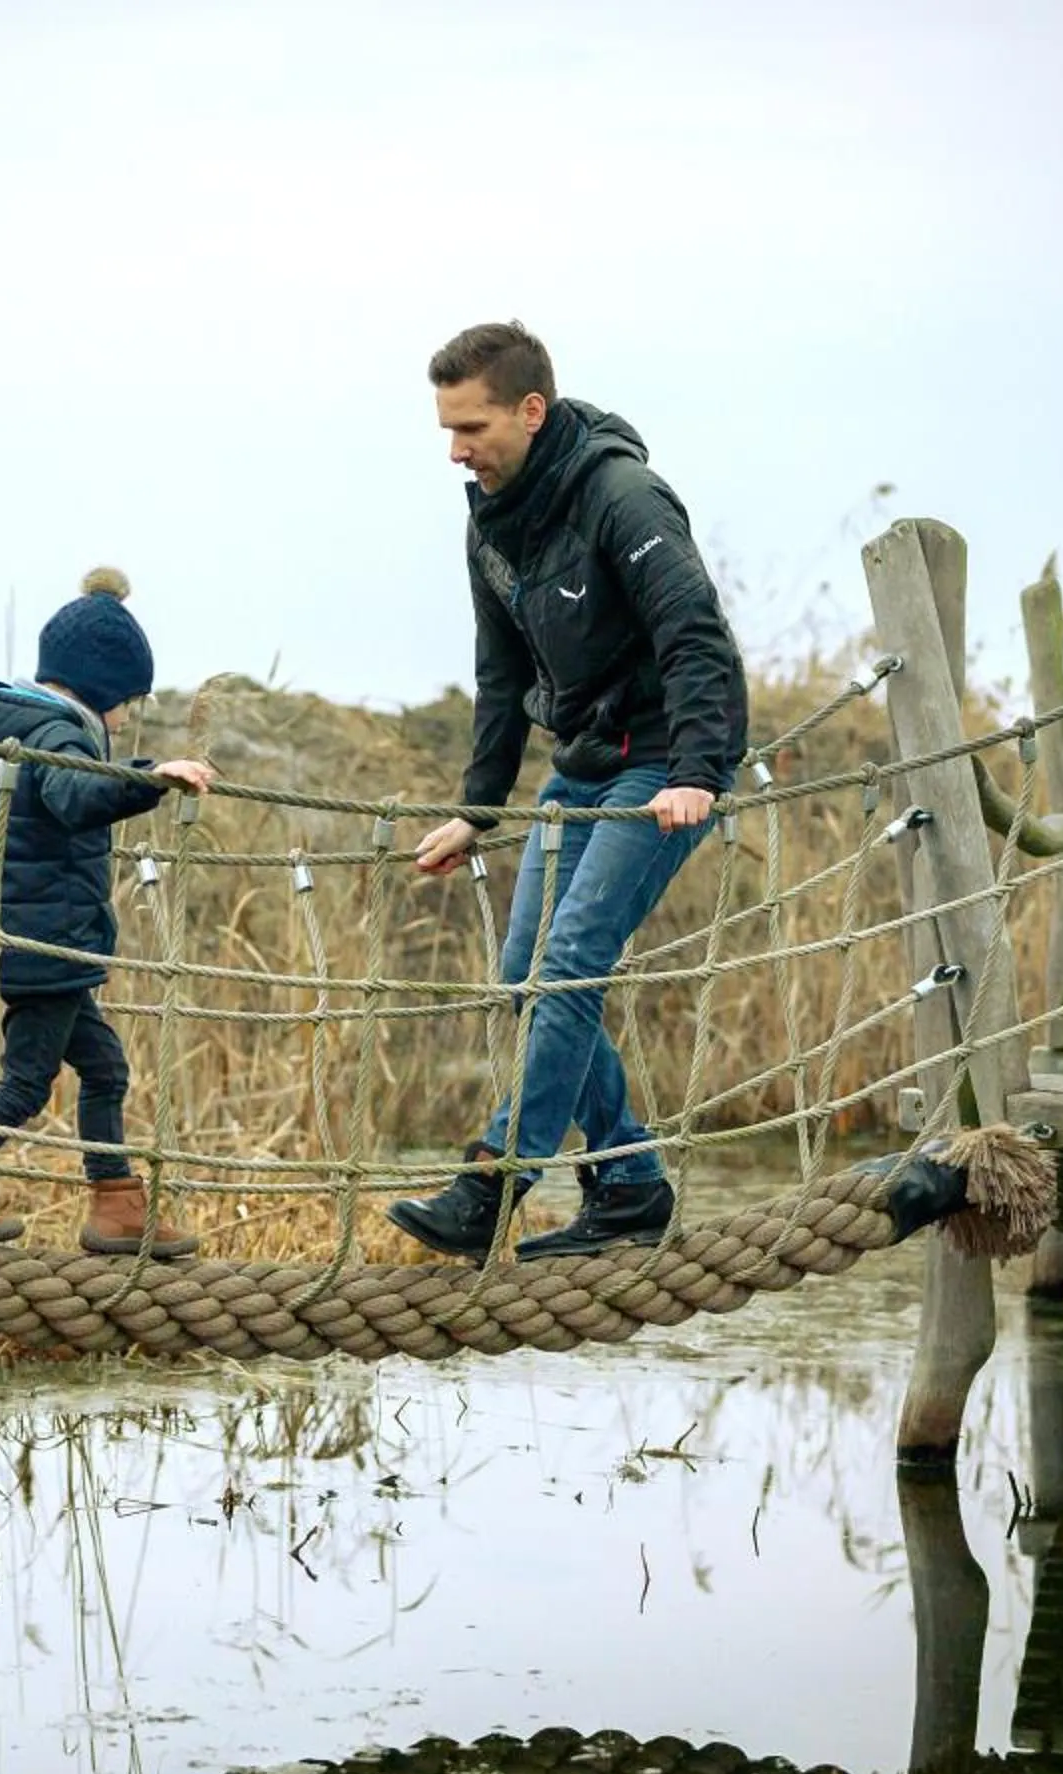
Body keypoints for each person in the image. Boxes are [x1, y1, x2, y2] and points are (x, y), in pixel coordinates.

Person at [389, 321, 750, 1261]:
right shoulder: (489, 519)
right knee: (525, 976)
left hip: (662, 760)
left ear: (531, 411)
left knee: (571, 963)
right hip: (584, 760)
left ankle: (493, 1184)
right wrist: (478, 809)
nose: (456, 451)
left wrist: (695, 774)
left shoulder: (622, 496)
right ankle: (629, 1185)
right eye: (447, 431)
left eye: (471, 428)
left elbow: (694, 633)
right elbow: (501, 672)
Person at [0, 568, 217, 1256]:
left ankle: (115, 1206)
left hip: (13, 939)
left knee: (104, 1068)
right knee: (27, 1082)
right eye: (127, 703)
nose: (124, 719)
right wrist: (148, 778)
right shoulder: (61, 734)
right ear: (101, 688)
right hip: (48, 947)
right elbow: (76, 798)